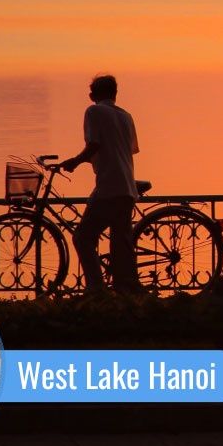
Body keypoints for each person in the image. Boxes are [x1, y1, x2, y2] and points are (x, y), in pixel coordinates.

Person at [61, 74, 142, 293]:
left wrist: (74, 162)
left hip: (109, 186)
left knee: (83, 237)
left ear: (93, 95)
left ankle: (96, 288)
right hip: (127, 187)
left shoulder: (94, 111)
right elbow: (130, 149)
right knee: (121, 243)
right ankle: (127, 287)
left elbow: (94, 144)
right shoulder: (126, 116)